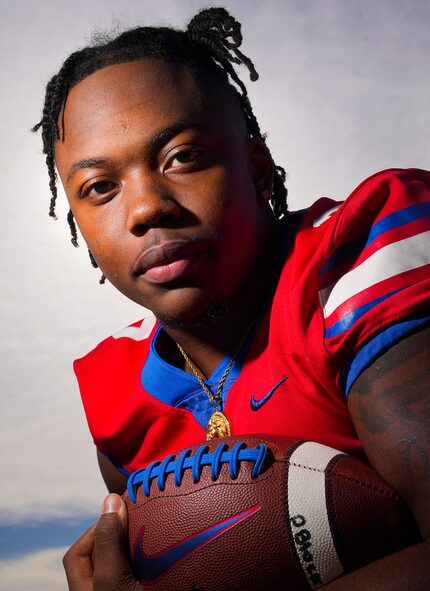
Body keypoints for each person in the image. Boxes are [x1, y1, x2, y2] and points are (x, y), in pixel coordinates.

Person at [33, 7, 430, 590]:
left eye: (183, 156)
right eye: (100, 188)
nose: (145, 209)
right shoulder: (116, 397)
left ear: (258, 166)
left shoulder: (359, 253)